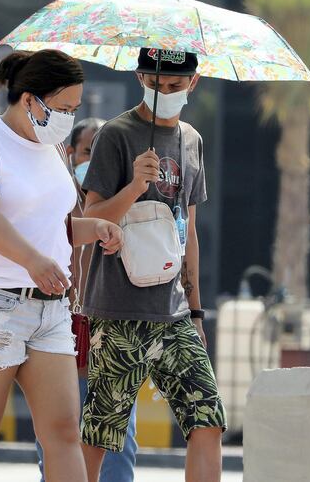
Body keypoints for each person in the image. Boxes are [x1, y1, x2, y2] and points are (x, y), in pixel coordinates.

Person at [0, 49, 123, 482]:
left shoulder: (54, 149)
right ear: (29, 100)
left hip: (50, 311)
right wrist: (33, 261)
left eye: (74, 109)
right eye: (62, 108)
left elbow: (54, 226)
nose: (68, 117)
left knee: (62, 431)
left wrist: (94, 227)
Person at [80, 48, 227, 482]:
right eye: (155, 84)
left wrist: (196, 311)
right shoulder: (116, 134)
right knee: (100, 433)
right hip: (119, 310)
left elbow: (190, 233)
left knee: (208, 419)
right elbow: (92, 218)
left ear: (193, 83)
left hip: (175, 311)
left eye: (175, 86)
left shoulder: (191, 140)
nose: (164, 92)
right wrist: (134, 186)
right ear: (141, 78)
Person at [36, 117, 139, 482]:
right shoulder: (54, 200)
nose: (93, 161)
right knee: (57, 436)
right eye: (86, 152)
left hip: (112, 332)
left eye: (102, 153)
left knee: (118, 443)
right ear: (70, 154)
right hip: (59, 332)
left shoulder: (127, 204)